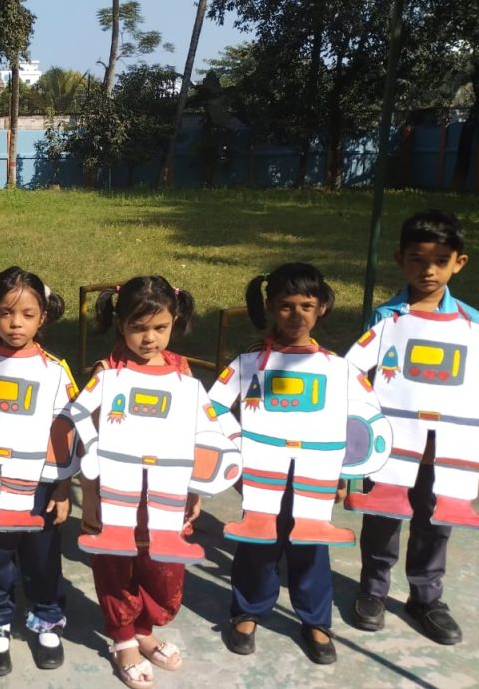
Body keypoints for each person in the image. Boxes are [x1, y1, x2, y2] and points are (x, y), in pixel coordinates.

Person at [209, 263, 388, 665]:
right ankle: (248, 610)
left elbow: (361, 421)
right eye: (286, 306)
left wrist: (345, 473)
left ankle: (315, 619)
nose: (296, 315)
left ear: (322, 307)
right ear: (270, 306)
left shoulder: (338, 368)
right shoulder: (248, 364)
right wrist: (237, 452)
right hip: (263, 473)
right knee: (258, 541)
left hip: (314, 477)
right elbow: (212, 407)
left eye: (307, 305)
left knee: (311, 544)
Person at [72, 276, 233, 689]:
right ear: (119, 324)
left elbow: (197, 436)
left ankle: (144, 628)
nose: (149, 338)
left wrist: (194, 489)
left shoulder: (183, 372)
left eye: (160, 328)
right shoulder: (107, 373)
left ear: (174, 321)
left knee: (162, 567)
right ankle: (123, 638)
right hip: (115, 494)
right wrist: (90, 496)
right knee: (117, 564)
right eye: (138, 328)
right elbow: (88, 438)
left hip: (166, 497)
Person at [344, 208, 479, 645]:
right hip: (392, 448)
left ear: (459, 262)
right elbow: (357, 377)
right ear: (400, 259)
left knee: (436, 521)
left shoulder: (473, 325)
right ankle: (372, 590)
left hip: (446, 452)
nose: (429, 270)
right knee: (383, 517)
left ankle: (426, 597)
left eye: (440, 260)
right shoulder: (385, 319)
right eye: (418, 259)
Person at [0, 266, 77, 677]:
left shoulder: (54, 371)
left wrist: (63, 488)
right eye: (6, 313)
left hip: (39, 488)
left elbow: (65, 432)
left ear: (43, 317)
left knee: (42, 557)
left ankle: (46, 619)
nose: (16, 323)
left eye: (27, 314)